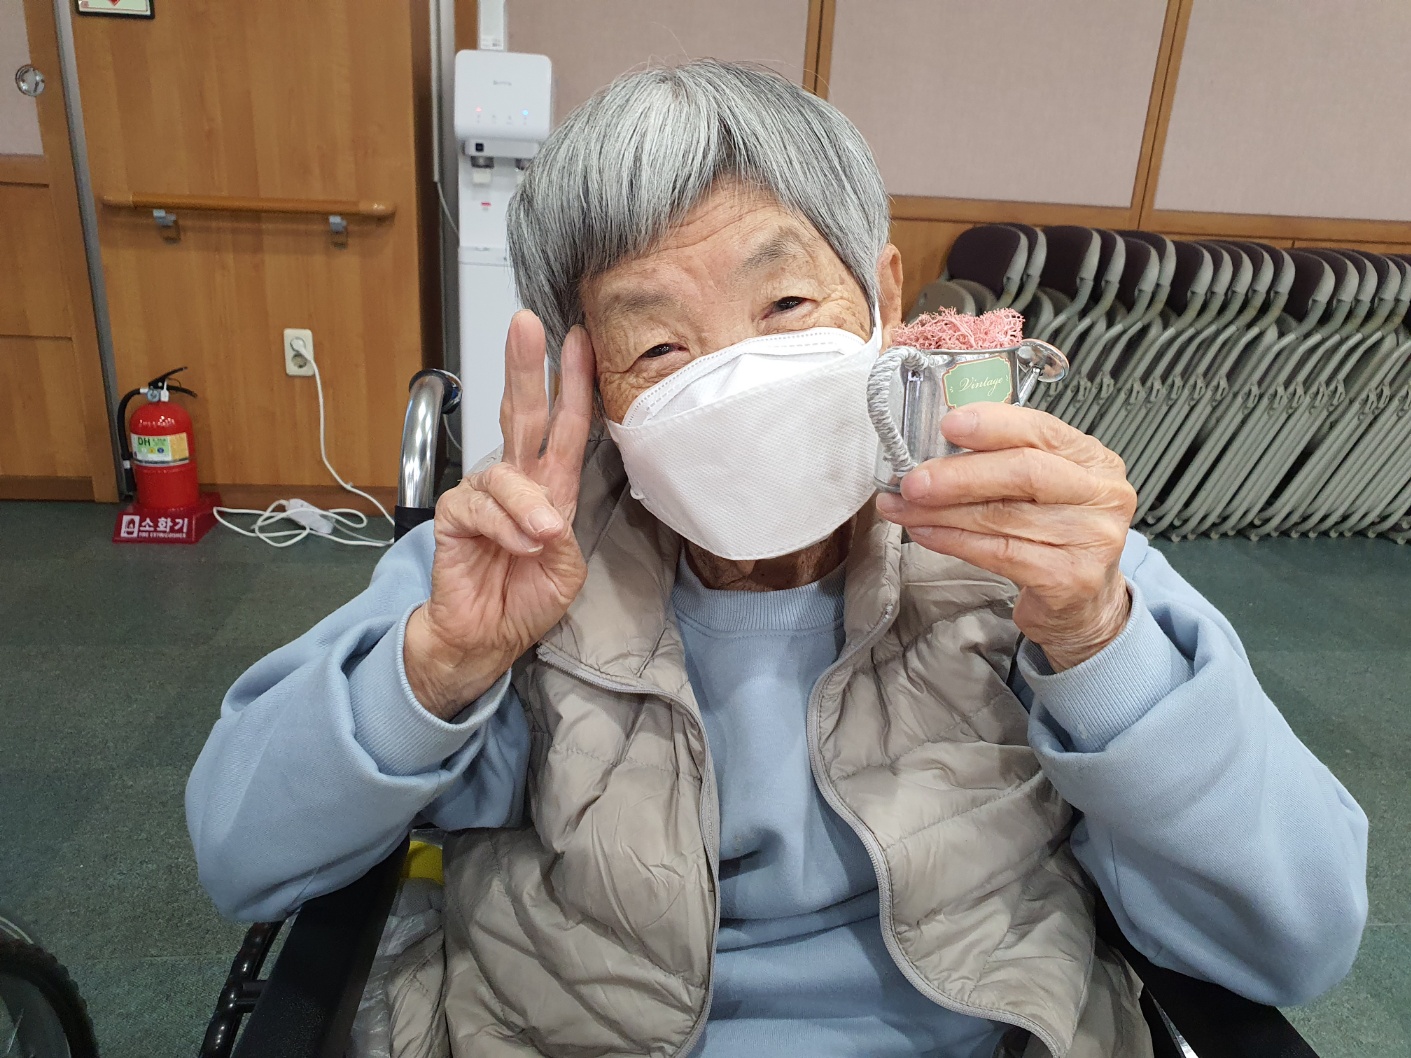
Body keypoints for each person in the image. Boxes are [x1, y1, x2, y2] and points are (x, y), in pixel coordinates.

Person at [187, 61, 1367, 1058]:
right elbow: (242, 851)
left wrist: (1101, 644)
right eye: (659, 345)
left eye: (788, 301)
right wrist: (441, 661)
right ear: (591, 381)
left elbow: (1295, 937)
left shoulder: (1027, 540)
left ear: (883, 295)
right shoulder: (523, 549)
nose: (733, 377)